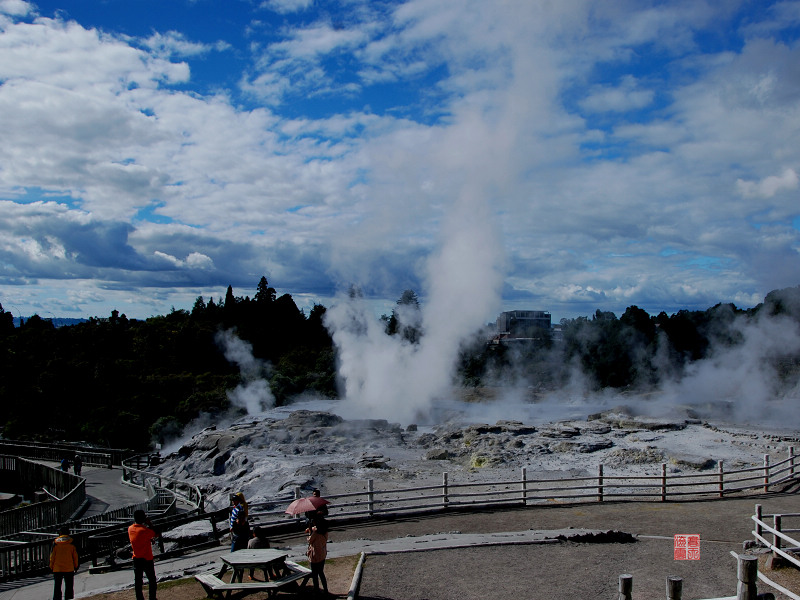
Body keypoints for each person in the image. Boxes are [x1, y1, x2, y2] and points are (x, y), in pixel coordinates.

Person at [128, 509, 160, 600]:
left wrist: (148, 539)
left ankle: (140, 598)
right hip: (147, 559)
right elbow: (157, 533)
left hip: (136, 558)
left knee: (138, 581)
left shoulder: (130, 529)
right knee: (152, 580)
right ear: (143, 518)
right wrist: (149, 523)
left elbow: (138, 538)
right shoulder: (144, 530)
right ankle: (152, 598)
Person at [50, 526, 79, 600]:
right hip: (69, 568)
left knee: (57, 587)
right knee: (69, 587)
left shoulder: (55, 543)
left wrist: (51, 566)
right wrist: (76, 566)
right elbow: (75, 556)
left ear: (60, 533)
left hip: (57, 568)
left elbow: (52, 556)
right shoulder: (72, 542)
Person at [306, 515, 329, 595]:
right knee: (321, 573)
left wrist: (309, 533)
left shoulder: (315, 533)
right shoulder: (324, 532)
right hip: (322, 554)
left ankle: (316, 590)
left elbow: (310, 540)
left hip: (315, 556)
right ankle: (325, 589)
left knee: (315, 574)